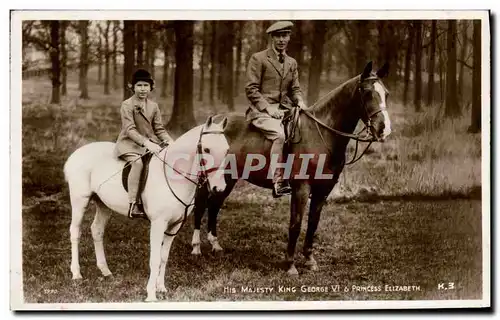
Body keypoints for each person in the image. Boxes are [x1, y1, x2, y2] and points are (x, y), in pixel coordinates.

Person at [245, 21, 307, 198]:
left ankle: (299, 174)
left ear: (289, 37)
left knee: (305, 131)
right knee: (279, 135)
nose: (281, 40)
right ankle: (278, 181)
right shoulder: (259, 58)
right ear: (272, 38)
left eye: (285, 36)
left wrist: (300, 101)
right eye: (278, 36)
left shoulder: (291, 62)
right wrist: (268, 109)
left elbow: (294, 89)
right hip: (261, 111)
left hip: (285, 110)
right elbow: (251, 89)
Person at [115, 68, 175, 219]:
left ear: (151, 87)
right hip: (129, 143)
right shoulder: (127, 105)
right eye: (139, 85)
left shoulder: (153, 106)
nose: (143, 89)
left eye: (146, 86)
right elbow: (129, 129)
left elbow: (159, 128)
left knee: (162, 161)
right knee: (138, 164)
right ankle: (133, 204)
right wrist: (146, 143)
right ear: (133, 87)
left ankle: (159, 199)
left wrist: (169, 141)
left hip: (150, 143)